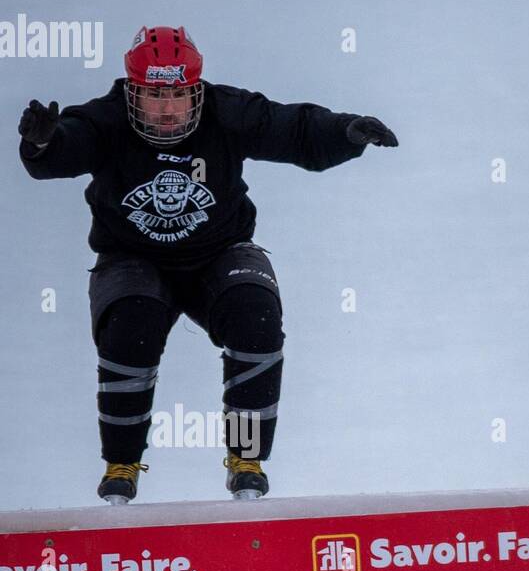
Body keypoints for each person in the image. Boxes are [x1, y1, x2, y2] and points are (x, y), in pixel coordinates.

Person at [19, 25, 397, 504]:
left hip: (219, 255)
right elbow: (64, 148)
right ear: (132, 92)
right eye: (155, 96)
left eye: (180, 94)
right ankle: (121, 466)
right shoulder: (106, 120)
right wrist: (41, 145)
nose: (169, 108)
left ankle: (247, 461)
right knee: (131, 327)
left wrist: (344, 132)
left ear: (196, 90)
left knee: (256, 314)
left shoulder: (226, 111)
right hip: (131, 260)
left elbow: (291, 128)